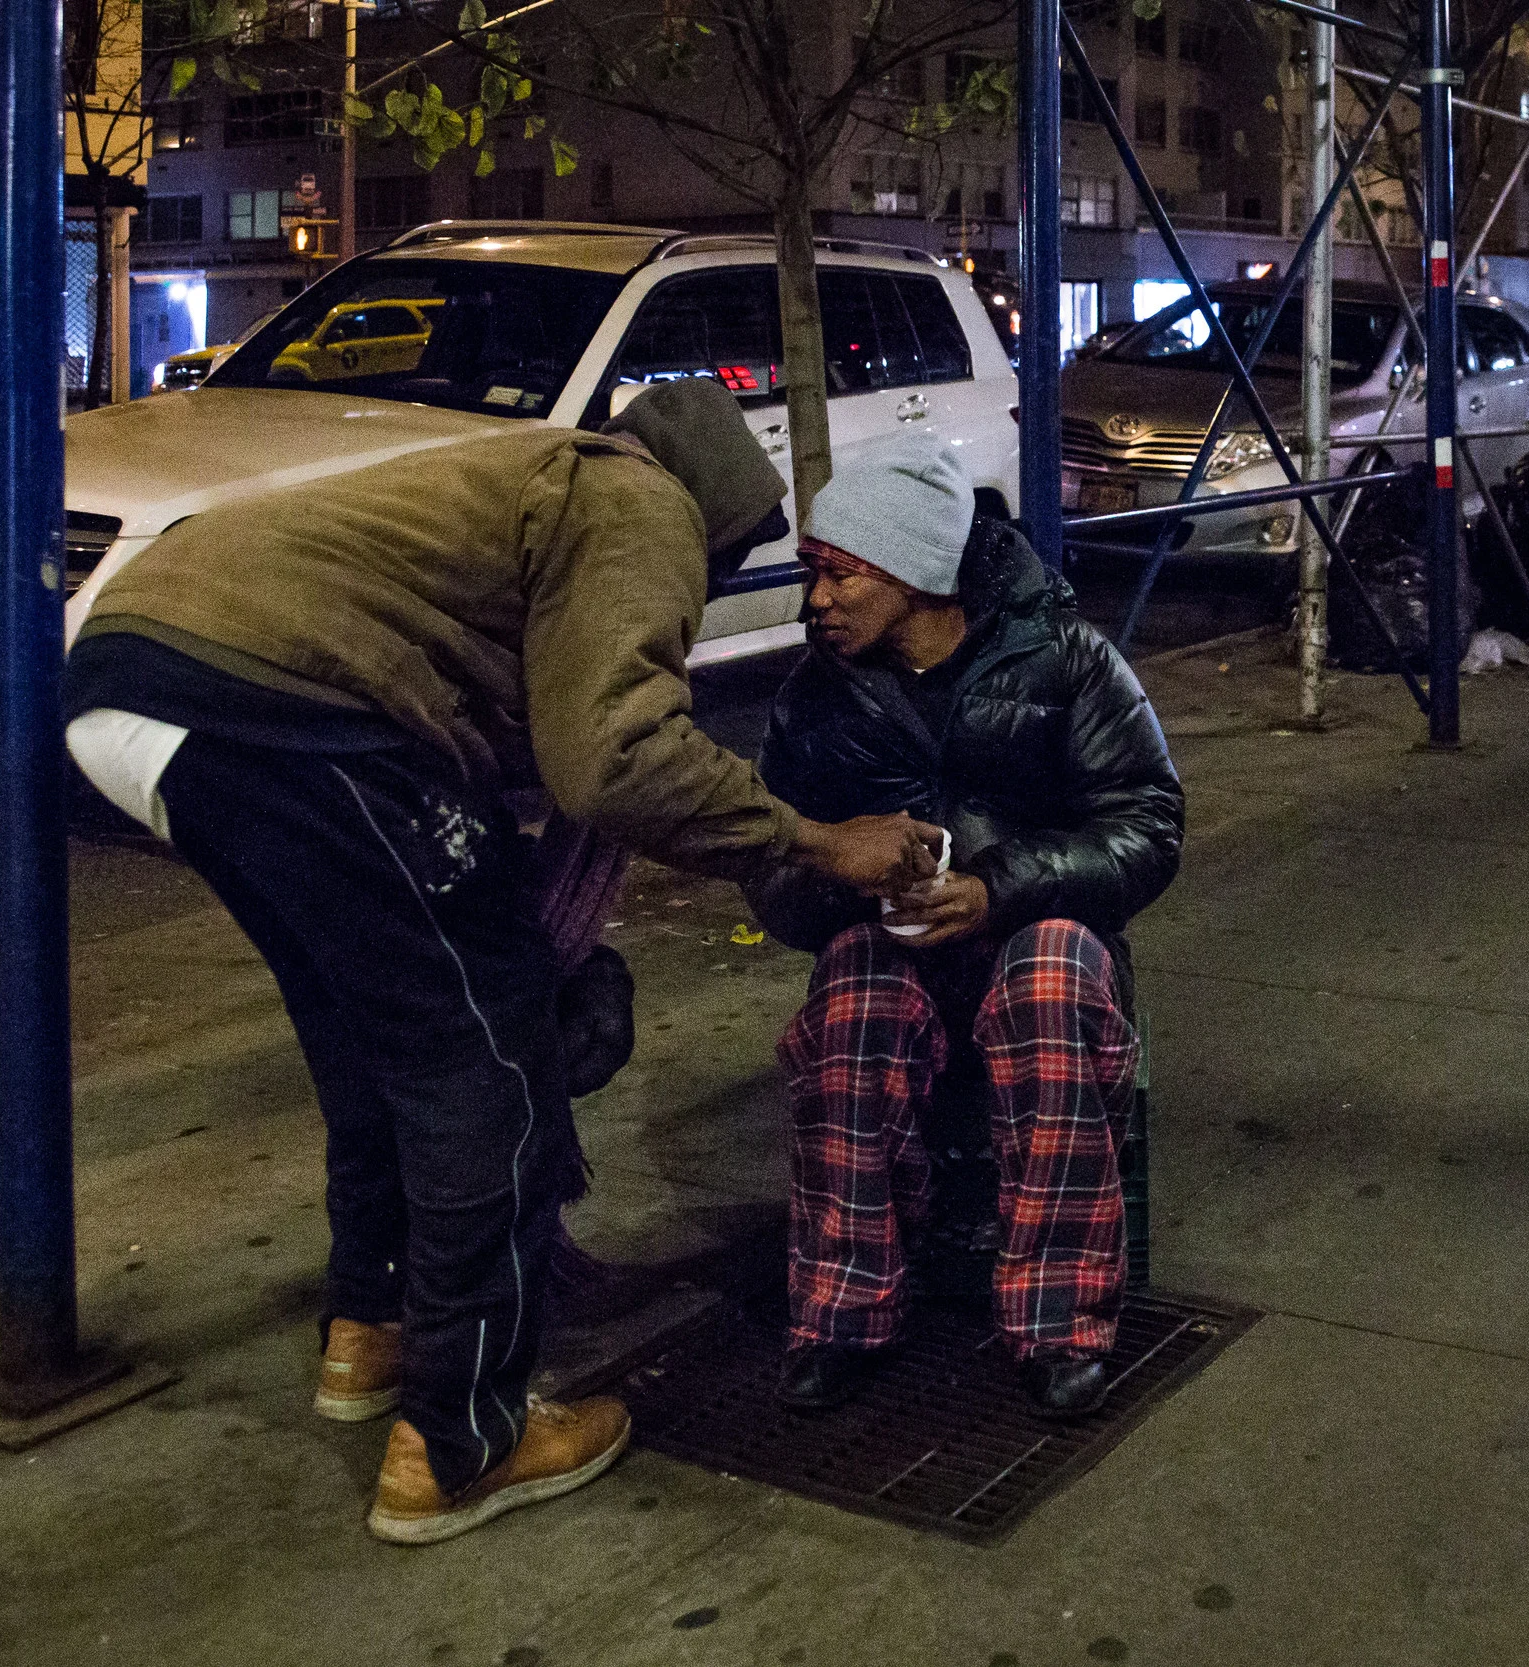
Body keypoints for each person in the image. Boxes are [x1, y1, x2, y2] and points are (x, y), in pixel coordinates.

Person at [62, 380, 937, 1544]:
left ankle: (372, 1325)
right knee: (485, 1058)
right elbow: (614, 757)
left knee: (374, 1033)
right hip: (288, 706)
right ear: (720, 519)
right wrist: (822, 841)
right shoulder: (640, 505)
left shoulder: (533, 480)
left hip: (140, 679)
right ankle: (461, 1440)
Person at [744, 440, 1184, 1420]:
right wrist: (847, 878)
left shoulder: (1067, 661)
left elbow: (1148, 826)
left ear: (911, 570)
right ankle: (842, 1311)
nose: (817, 599)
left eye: (839, 572)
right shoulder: (817, 693)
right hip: (897, 946)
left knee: (1049, 982)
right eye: (815, 573)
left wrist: (996, 890)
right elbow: (767, 868)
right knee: (851, 1004)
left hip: (1034, 932)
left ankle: (1059, 1323)